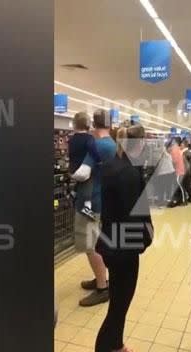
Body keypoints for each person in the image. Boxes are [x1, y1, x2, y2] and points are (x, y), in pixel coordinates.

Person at [95, 124, 153, 352]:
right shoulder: (129, 173)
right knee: (119, 306)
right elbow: (136, 215)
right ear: (138, 144)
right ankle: (105, 347)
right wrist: (146, 239)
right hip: (124, 248)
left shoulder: (111, 166)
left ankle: (116, 345)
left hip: (111, 242)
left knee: (118, 303)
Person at [71, 109, 117, 307]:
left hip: (90, 202)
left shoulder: (96, 145)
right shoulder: (112, 144)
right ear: (110, 125)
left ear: (93, 124)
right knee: (96, 241)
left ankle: (102, 288)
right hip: (102, 199)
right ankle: (100, 278)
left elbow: (82, 173)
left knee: (91, 246)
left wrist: (70, 174)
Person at [68, 112, 101, 219]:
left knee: (80, 181)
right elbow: (94, 152)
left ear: (75, 125)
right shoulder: (89, 139)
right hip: (83, 170)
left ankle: (73, 192)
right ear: (88, 124)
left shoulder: (71, 139)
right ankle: (87, 207)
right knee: (89, 181)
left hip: (72, 170)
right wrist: (99, 160)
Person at [167, 137, 186, 207]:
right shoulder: (177, 148)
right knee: (178, 187)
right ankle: (180, 200)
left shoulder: (174, 149)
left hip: (178, 170)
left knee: (180, 186)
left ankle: (184, 201)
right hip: (180, 170)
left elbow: (174, 161)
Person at [181, 139, 191, 204]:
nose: (180, 146)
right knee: (186, 184)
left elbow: (189, 163)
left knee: (186, 185)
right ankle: (190, 196)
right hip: (187, 171)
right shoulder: (186, 152)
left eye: (181, 145)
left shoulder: (186, 153)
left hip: (186, 171)